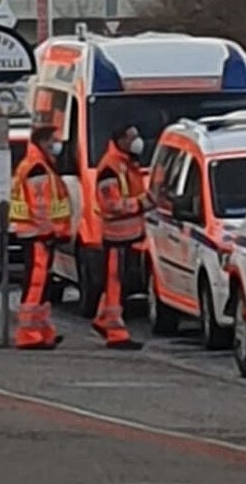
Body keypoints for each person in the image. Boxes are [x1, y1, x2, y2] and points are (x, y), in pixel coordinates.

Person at [9, 125, 71, 350]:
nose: (56, 145)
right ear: (42, 142)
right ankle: (28, 333)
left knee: (42, 284)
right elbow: (40, 206)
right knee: (35, 284)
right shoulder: (37, 168)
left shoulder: (38, 165)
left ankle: (42, 331)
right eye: (52, 140)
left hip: (38, 233)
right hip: (38, 234)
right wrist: (50, 232)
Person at [93, 124, 153, 350]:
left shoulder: (126, 164)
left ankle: (103, 319)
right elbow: (110, 204)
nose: (137, 141)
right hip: (115, 237)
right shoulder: (110, 168)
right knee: (115, 283)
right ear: (120, 139)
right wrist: (141, 204)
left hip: (128, 236)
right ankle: (116, 333)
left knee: (117, 282)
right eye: (131, 137)